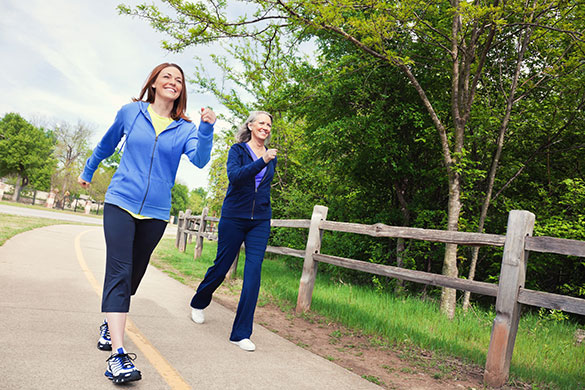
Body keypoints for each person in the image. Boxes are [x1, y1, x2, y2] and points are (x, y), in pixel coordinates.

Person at [78, 63, 216, 384]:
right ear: (153, 83)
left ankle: (109, 324)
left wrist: (207, 129)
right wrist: (88, 170)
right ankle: (118, 356)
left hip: (155, 212)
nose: (173, 82)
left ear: (182, 91)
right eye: (166, 76)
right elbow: (107, 143)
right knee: (119, 271)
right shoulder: (131, 112)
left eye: (178, 80)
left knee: (134, 274)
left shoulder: (185, 129)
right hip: (120, 201)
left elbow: (199, 159)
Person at [189, 111, 277, 352]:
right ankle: (198, 301)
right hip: (234, 218)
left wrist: (266, 211)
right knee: (221, 266)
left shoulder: (271, 156)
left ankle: (241, 333)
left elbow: (264, 188)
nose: (266, 127)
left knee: (253, 273)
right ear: (250, 126)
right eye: (261, 123)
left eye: (269, 125)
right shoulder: (237, 151)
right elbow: (235, 177)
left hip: (259, 220)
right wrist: (263, 161)